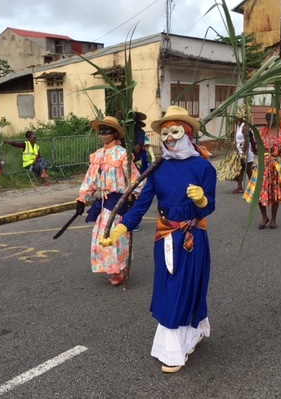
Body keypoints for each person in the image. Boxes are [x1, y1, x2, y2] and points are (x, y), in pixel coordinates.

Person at [99, 105, 216, 373]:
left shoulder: (203, 167)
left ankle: (177, 347)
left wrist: (201, 199)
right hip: (164, 237)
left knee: (187, 286)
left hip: (192, 237)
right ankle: (185, 337)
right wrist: (121, 229)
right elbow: (141, 205)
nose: (169, 137)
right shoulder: (158, 168)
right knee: (169, 288)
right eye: (164, 133)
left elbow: (210, 207)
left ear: (186, 133)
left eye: (174, 131)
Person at [75, 116, 142, 286]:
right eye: (101, 131)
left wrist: (135, 195)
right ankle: (111, 268)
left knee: (116, 237)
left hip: (119, 203)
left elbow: (135, 178)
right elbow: (90, 179)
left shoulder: (122, 154)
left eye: (108, 131)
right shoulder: (98, 155)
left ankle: (119, 269)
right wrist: (82, 199)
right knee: (101, 238)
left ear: (115, 133)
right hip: (103, 205)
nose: (104, 135)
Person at [243, 108, 281, 229]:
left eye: (271, 117)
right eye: (267, 117)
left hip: (277, 166)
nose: (268, 120)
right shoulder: (262, 133)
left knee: (274, 193)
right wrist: (251, 140)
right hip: (263, 165)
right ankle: (264, 217)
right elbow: (256, 151)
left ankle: (273, 219)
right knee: (259, 192)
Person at [217, 115, 254, 193]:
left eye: (235, 118)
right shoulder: (239, 126)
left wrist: (244, 153)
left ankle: (253, 187)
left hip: (245, 151)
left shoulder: (245, 127)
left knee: (248, 170)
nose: (234, 120)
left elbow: (246, 140)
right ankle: (239, 187)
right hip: (239, 151)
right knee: (239, 169)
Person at [132, 108, 149, 173]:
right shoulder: (123, 131)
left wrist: (131, 136)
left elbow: (137, 150)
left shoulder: (140, 132)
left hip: (136, 162)